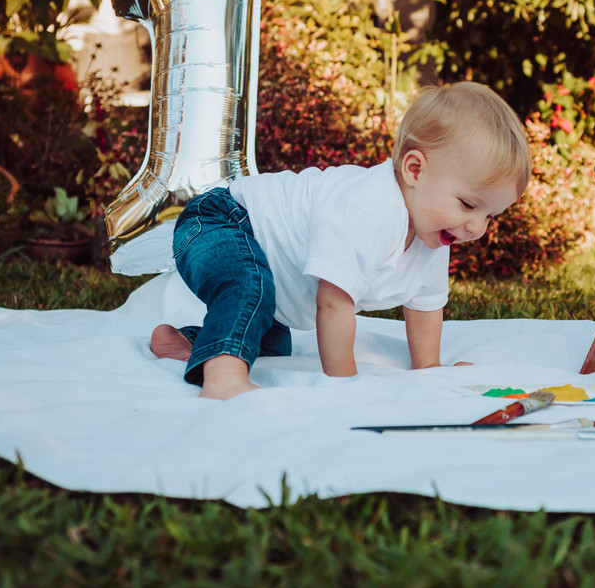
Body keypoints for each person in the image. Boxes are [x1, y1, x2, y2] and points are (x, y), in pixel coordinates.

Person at [149, 81, 532, 400]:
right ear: (415, 170)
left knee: (271, 345)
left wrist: (428, 367)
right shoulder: (367, 208)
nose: (476, 228)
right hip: (222, 220)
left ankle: (193, 343)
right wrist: (344, 383)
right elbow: (333, 303)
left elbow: (425, 306)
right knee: (249, 288)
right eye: (468, 205)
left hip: (264, 266)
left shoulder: (432, 233)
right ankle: (223, 377)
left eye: (490, 216)